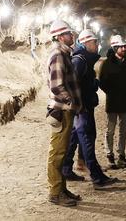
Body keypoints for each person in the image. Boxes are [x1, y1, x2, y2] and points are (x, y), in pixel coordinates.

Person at [62, 30, 118, 187]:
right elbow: (73, 84)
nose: (97, 45)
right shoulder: (80, 61)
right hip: (83, 107)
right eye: (94, 42)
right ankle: (97, 176)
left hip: (82, 106)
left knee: (74, 137)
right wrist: (92, 87)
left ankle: (66, 169)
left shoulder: (84, 60)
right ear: (86, 44)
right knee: (87, 138)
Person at [45, 20, 82, 207]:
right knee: (57, 153)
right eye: (68, 33)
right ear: (60, 37)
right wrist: (71, 100)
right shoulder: (58, 54)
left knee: (62, 150)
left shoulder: (64, 53)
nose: (72, 35)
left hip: (65, 109)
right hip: (61, 110)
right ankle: (55, 193)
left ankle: (62, 189)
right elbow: (57, 85)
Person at [99, 34, 126, 169]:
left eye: (124, 46)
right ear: (115, 48)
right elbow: (102, 82)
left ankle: (121, 155)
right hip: (113, 101)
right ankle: (109, 155)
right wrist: (111, 92)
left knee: (123, 130)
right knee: (110, 130)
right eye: (121, 47)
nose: (124, 48)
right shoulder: (107, 64)